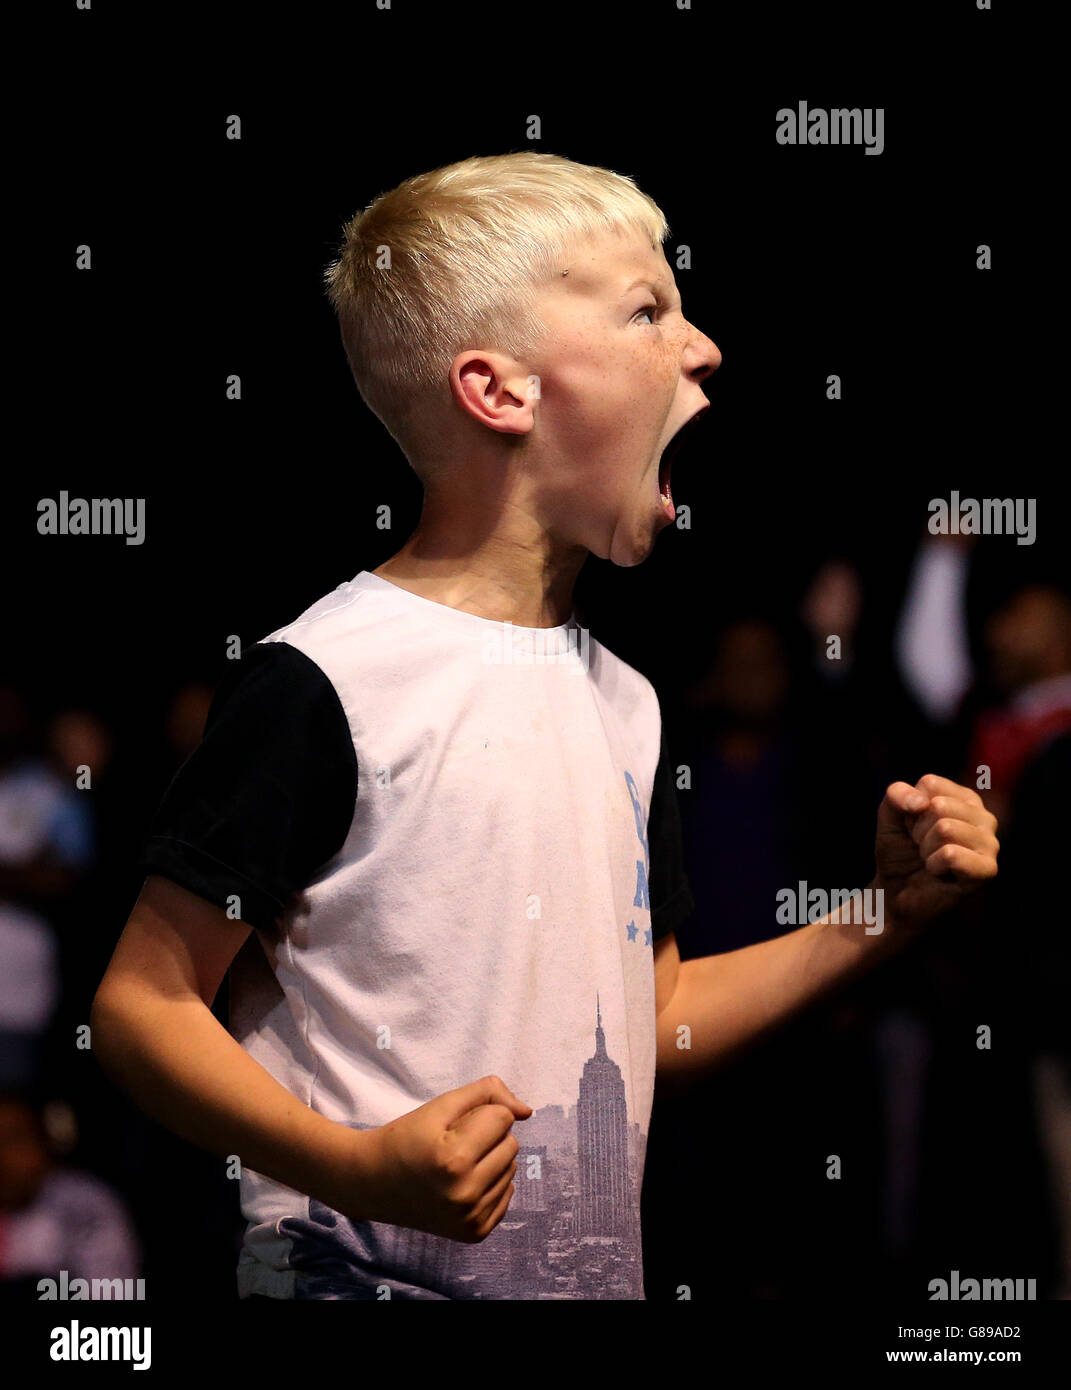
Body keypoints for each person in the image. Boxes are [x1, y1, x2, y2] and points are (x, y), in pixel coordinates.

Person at [89, 152, 1000, 1300]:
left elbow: (651, 1021)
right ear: (501, 391)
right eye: (647, 309)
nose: (704, 344)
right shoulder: (326, 679)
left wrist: (876, 921)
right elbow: (139, 1005)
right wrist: (360, 1167)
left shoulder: (629, 701)